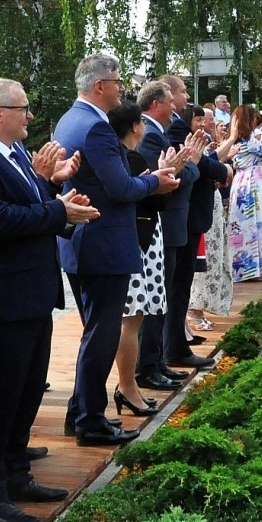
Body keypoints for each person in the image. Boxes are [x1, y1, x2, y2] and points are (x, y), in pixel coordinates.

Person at [0, 77, 92, 522]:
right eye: (23, 108)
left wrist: (57, 199)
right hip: (0, 300)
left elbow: (30, 210)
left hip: (30, 295)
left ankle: (16, 475)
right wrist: (57, 212)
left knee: (27, 391)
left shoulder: (15, 157)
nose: (30, 116)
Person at [52, 55, 181, 446]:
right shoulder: (95, 127)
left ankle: (80, 412)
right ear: (98, 87)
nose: (122, 88)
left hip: (83, 241)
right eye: (117, 81)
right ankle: (90, 420)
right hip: (102, 242)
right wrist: (153, 182)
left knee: (96, 332)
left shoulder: (69, 119)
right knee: (102, 335)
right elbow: (121, 188)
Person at [135, 79, 204, 386]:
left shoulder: (157, 132)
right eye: (170, 101)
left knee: (164, 297)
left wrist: (188, 165)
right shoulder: (151, 136)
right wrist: (190, 165)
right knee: (158, 298)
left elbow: (183, 168)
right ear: (155, 104)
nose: (176, 105)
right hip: (164, 221)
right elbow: (170, 176)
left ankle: (159, 361)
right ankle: (151, 365)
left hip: (172, 222)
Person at [111, 101, 176, 412]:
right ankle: (127, 385)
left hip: (142, 243)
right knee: (131, 320)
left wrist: (163, 177)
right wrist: (162, 180)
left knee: (135, 318)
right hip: (137, 244)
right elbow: (146, 201)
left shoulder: (128, 156)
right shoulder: (131, 158)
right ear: (136, 126)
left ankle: (130, 384)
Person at [185, 105, 231, 331]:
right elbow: (206, 165)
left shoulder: (203, 143)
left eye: (209, 120)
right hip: (198, 211)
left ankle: (198, 308)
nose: (206, 124)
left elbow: (210, 162)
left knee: (211, 260)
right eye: (201, 120)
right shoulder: (190, 144)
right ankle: (193, 310)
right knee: (202, 262)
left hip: (210, 205)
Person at [228, 105, 262, 282]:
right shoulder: (248, 140)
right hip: (252, 183)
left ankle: (252, 267)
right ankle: (255, 267)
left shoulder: (239, 139)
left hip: (243, 181)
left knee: (247, 223)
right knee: (255, 222)